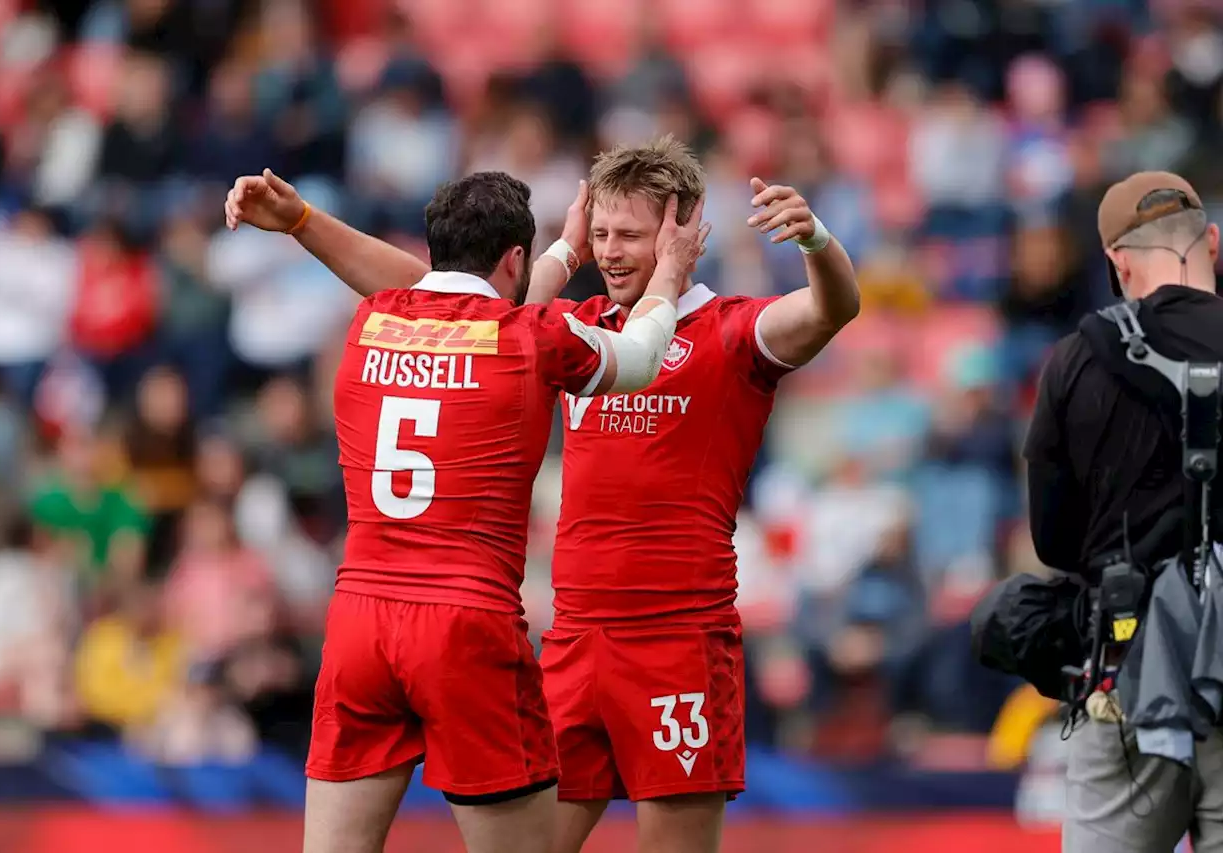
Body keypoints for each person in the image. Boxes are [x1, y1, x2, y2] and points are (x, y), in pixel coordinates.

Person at [224, 137, 860, 853]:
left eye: (631, 235)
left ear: (682, 231)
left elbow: (833, 308)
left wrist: (816, 237)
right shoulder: (568, 328)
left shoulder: (732, 329)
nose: (611, 251)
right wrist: (307, 220)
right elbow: (445, 293)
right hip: (571, 642)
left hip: (677, 639)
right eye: (602, 233)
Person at [1019, 171, 1223, 853]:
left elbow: (1053, 541)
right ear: (1212, 243)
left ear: (1117, 260)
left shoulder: (1075, 360)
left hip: (1127, 668)